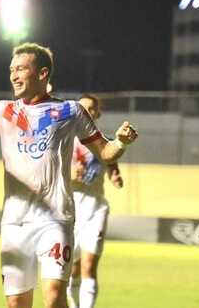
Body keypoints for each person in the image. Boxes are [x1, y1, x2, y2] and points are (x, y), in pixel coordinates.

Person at [0, 43, 138, 308]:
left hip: (55, 219)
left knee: (55, 296)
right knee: (16, 305)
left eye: (21, 69)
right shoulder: (3, 111)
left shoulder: (70, 111)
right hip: (15, 222)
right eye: (12, 70)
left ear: (43, 74)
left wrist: (121, 141)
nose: (14, 75)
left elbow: (106, 152)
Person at [67, 94, 124, 308]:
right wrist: (69, 174)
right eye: (82, 108)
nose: (86, 112)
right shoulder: (64, 141)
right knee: (72, 269)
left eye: (90, 109)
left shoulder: (104, 142)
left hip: (96, 208)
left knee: (89, 266)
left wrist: (115, 177)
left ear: (97, 113)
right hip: (70, 210)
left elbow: (112, 167)